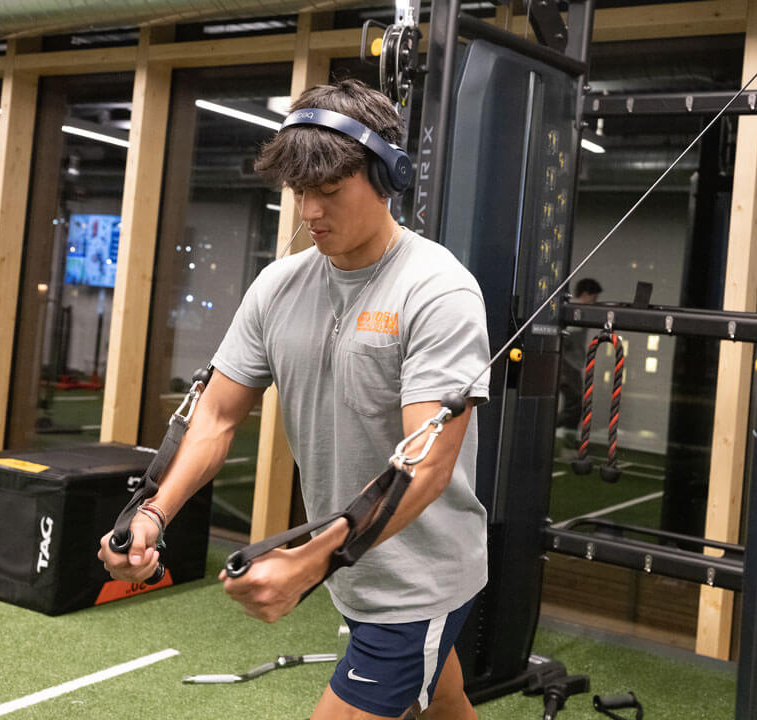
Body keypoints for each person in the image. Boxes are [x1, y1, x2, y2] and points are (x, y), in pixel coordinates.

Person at [99, 79, 490, 719]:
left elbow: (429, 465)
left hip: (417, 577)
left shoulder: (438, 291)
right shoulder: (279, 285)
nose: (310, 210)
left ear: (388, 178)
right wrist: (152, 515)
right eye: (300, 192)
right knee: (442, 704)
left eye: (330, 192)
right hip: (353, 567)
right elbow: (218, 415)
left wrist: (307, 563)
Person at [556, 278, 602, 431]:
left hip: (572, 363)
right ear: (585, 294)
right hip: (567, 363)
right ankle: (552, 428)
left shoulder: (576, 309)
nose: (595, 302)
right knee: (574, 405)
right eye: (594, 298)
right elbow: (564, 335)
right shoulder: (575, 310)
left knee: (574, 404)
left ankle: (565, 439)